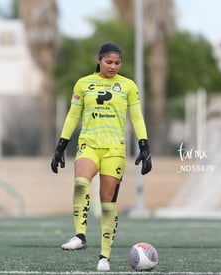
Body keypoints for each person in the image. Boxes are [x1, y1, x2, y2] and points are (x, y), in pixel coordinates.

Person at [51, 42, 152, 272]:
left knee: (108, 205)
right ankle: (80, 236)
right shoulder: (83, 83)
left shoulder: (128, 86)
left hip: (115, 150)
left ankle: (104, 257)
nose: (113, 66)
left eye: (117, 63)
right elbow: (72, 115)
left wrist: (144, 146)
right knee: (80, 182)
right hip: (89, 145)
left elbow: (136, 117)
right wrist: (60, 147)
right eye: (109, 62)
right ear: (99, 60)